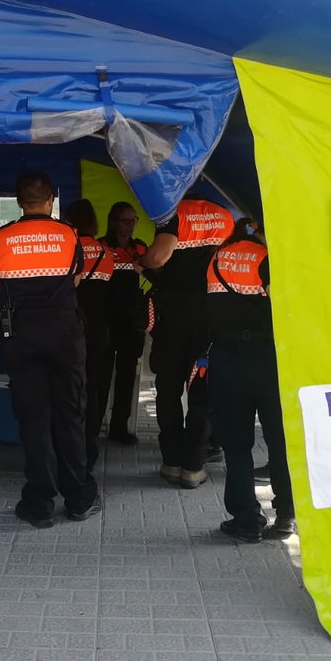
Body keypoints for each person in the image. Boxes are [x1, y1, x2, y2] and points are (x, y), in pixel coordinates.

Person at [0, 172, 100, 529]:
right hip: (64, 333)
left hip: (21, 333)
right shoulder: (69, 235)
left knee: (33, 419)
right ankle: (79, 497)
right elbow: (77, 274)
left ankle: (39, 503)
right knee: (70, 415)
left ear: (20, 202)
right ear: (50, 199)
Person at [206, 218, 294, 542]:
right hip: (269, 359)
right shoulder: (269, 259)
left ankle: (246, 520)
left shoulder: (218, 258)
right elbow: (286, 308)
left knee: (237, 445)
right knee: (279, 442)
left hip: (227, 358)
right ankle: (285, 515)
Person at [141, 191, 235, 489]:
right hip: (210, 317)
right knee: (201, 392)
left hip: (173, 319)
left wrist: (143, 262)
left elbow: (159, 256)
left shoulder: (173, 214)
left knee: (168, 391)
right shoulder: (223, 215)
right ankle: (194, 467)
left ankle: (171, 463)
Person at [64, 198, 114, 471]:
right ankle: (90, 444)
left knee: (69, 387)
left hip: (71, 328)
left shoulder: (68, 249)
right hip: (98, 328)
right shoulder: (106, 253)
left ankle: (71, 443)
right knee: (92, 386)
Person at [97, 201, 147, 446]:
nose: (130, 225)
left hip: (130, 323)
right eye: (125, 220)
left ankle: (119, 427)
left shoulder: (140, 249)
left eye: (133, 220)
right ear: (114, 222)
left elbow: (155, 276)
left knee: (127, 376)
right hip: (105, 320)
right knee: (100, 376)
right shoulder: (101, 246)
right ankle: (93, 425)